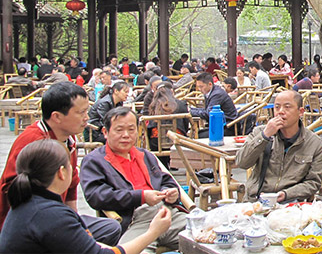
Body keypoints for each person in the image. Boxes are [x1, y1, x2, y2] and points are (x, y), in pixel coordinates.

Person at [0, 82, 121, 244]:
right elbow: (11, 188)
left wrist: (75, 222)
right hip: (35, 223)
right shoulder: (33, 141)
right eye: (81, 112)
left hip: (59, 217)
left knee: (110, 228)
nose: (86, 117)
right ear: (57, 116)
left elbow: (72, 187)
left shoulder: (69, 140)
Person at [0, 139, 170, 254]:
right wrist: (153, 232)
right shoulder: (51, 215)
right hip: (139, 216)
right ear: (61, 173)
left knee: (109, 227)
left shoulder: (28, 202)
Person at [80, 107, 186, 251]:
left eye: (131, 129)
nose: (126, 135)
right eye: (119, 130)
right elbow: (96, 196)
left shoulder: (145, 155)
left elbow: (166, 181)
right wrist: (140, 196)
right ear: (105, 132)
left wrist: (170, 193)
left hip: (167, 213)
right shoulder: (95, 161)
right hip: (135, 219)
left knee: (210, 236)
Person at [236, 90, 322, 203]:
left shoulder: (314, 143)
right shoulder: (260, 132)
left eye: (287, 107)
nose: (281, 112)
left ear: (300, 112)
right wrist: (265, 136)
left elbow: (313, 182)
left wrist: (286, 194)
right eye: (277, 107)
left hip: (291, 204)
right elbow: (242, 163)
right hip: (256, 201)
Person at [190, 72, 238, 137]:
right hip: (218, 124)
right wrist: (191, 110)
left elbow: (209, 113)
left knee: (197, 135)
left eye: (201, 87)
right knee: (195, 133)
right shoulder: (210, 92)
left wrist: (190, 112)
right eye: (198, 87)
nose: (199, 89)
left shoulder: (217, 94)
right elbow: (206, 110)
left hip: (227, 126)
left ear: (210, 84)